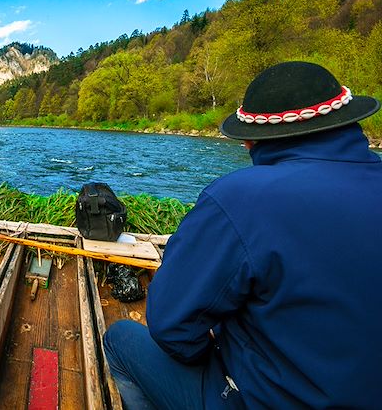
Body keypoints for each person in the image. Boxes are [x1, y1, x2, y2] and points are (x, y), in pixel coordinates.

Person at [103, 61, 382, 409]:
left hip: (261, 400)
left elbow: (170, 328)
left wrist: (212, 351)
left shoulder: (241, 198)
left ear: (255, 139)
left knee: (119, 338)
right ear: (346, 121)